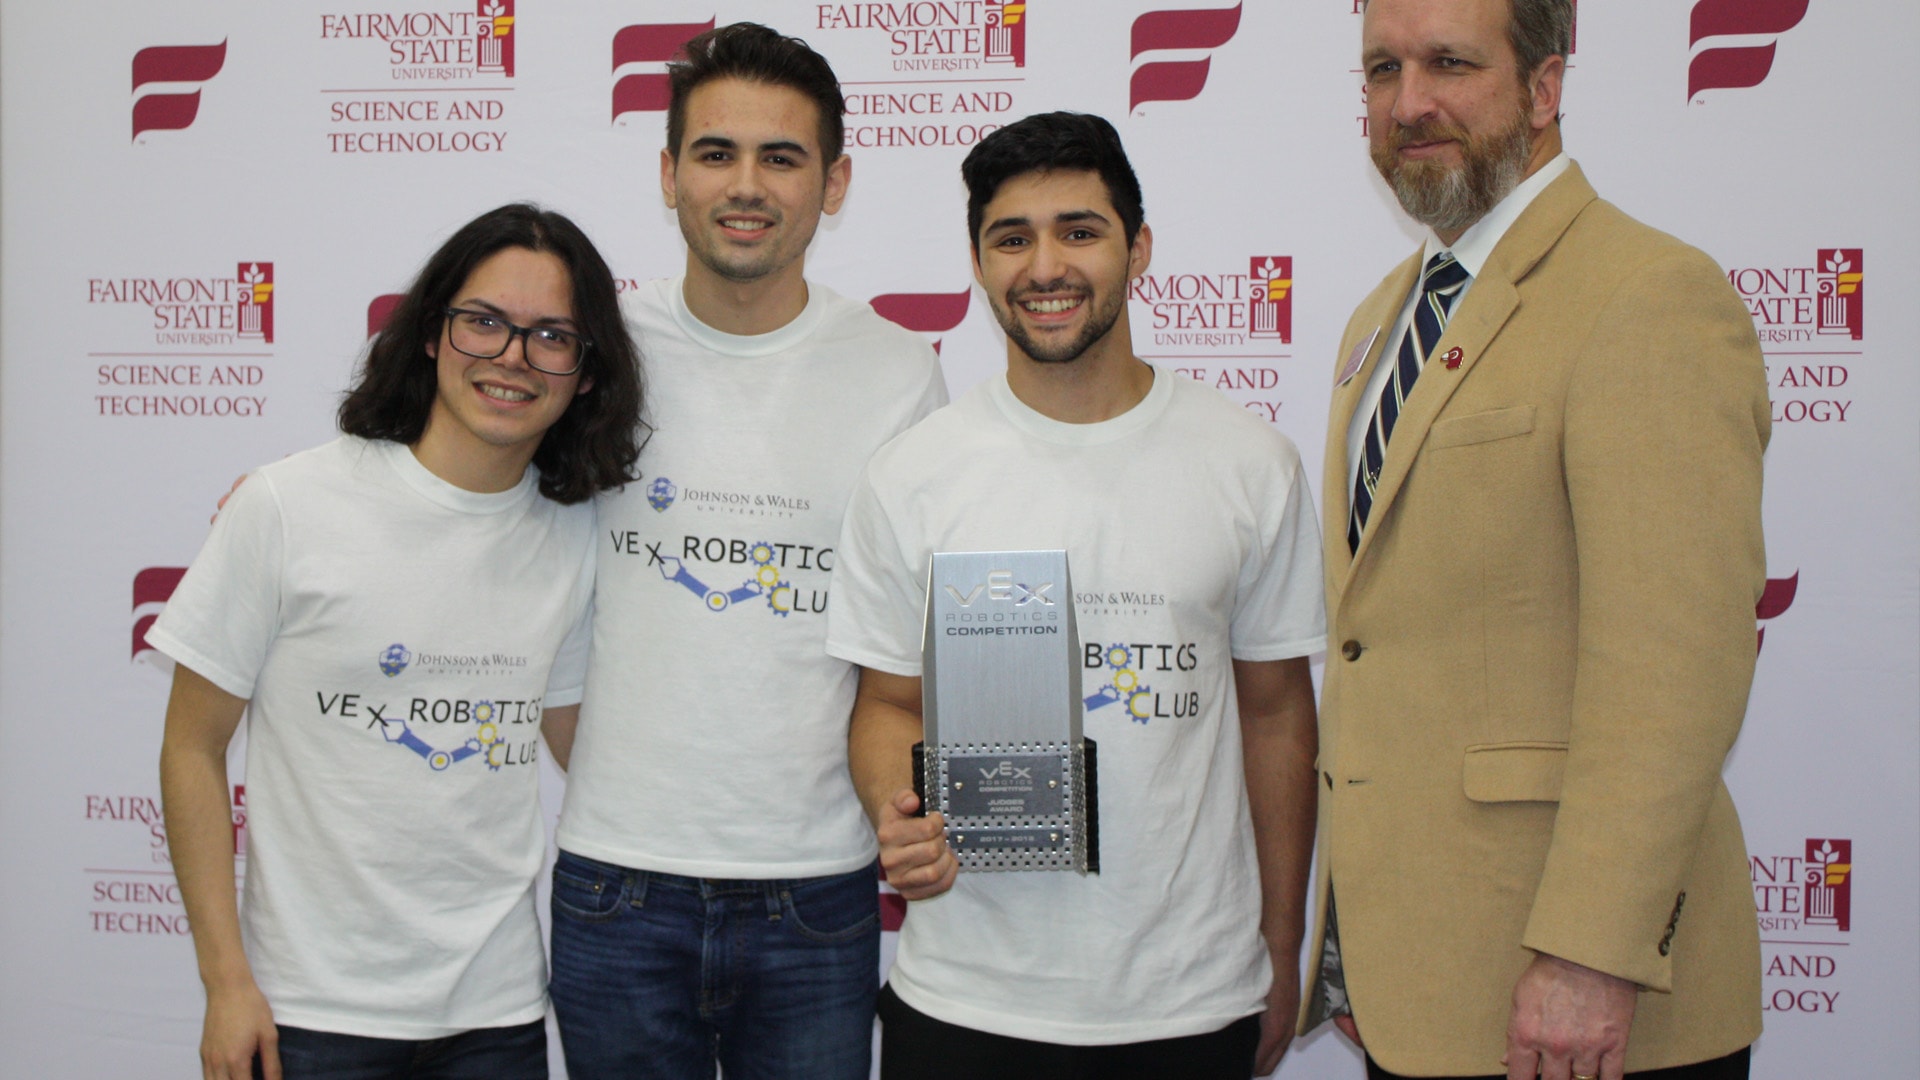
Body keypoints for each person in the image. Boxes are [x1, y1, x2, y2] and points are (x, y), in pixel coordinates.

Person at [1300, 1, 1769, 1078]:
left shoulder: (1648, 296)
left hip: (1581, 1009)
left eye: (1451, 64)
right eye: (1382, 69)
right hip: (1423, 981)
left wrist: (1592, 955)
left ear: (1546, 88)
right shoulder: (1384, 315)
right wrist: (1355, 956)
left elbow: (1676, 670)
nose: (1407, 102)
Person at [828, 111, 1325, 1080]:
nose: (1045, 265)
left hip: (1189, 1002)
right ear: (977, 262)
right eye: (1012, 238)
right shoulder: (912, 475)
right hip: (964, 1002)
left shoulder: (1249, 463)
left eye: (1079, 231)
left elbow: (1276, 717)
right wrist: (898, 811)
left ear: (1138, 249)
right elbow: (888, 706)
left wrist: (1278, 942)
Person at [539, 23, 947, 1080]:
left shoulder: (900, 372)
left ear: (835, 181)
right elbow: (470, 508)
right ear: (669, 173)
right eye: (716, 153)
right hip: (616, 885)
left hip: (818, 888)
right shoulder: (594, 357)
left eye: (783, 156)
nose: (746, 185)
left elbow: (906, 648)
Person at [154, 203, 644, 1080]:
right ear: (430, 333)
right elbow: (191, 748)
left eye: (552, 336)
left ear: (584, 371)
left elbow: (587, 748)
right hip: (308, 1013)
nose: (512, 358)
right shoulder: (286, 505)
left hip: (497, 1015)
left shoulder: (572, 536)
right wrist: (226, 983)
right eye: (484, 323)